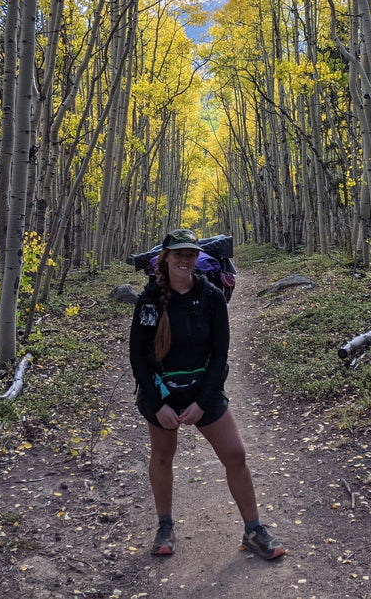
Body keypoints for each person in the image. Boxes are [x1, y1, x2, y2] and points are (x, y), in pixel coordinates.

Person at [129, 228, 286, 561]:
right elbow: (138, 357)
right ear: (166, 258)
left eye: (191, 254)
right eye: (179, 254)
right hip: (162, 395)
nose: (186, 260)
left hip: (204, 392)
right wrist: (158, 405)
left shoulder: (211, 296)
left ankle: (254, 530)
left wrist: (202, 402)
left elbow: (220, 356)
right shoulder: (149, 300)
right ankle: (165, 526)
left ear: (197, 258)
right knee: (161, 456)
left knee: (235, 455)